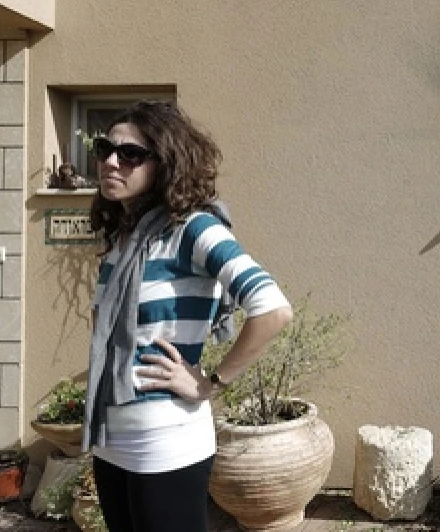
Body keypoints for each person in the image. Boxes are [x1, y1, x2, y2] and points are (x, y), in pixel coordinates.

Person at [84, 101, 293, 532]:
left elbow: (272, 309)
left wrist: (210, 382)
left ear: (166, 164)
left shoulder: (193, 229)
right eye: (105, 149)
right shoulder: (122, 242)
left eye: (130, 155)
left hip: (165, 438)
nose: (110, 161)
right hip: (112, 438)